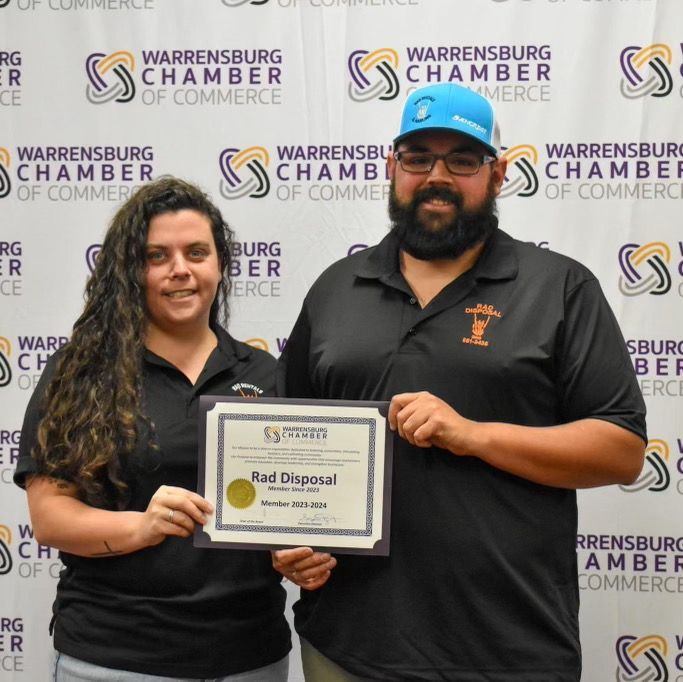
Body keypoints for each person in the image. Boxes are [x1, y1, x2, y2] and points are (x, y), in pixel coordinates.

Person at [272, 83, 647, 681]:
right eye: (418, 158)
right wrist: (288, 542)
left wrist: (472, 435)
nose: (436, 176)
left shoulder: (559, 288)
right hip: (347, 645)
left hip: (508, 649)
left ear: (497, 175)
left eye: (462, 160)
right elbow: (286, 443)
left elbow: (623, 451)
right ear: (392, 168)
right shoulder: (336, 288)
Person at [14, 177, 292, 681]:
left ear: (221, 264)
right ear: (131, 271)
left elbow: (291, 511)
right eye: (156, 256)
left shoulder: (267, 375)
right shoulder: (78, 373)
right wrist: (140, 527)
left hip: (250, 655)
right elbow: (50, 518)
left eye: (196, 252)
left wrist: (302, 551)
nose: (179, 270)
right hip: (115, 658)